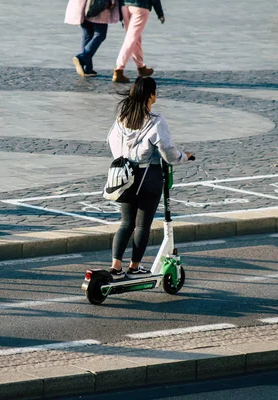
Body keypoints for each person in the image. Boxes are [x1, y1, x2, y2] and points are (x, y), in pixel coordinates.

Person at [107, 77, 193, 278]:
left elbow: (111, 140)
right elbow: (168, 152)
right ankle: (134, 266)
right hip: (148, 177)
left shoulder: (122, 118)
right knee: (142, 225)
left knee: (126, 223)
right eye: (156, 91)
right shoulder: (156, 120)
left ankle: (116, 267)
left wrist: (125, 160)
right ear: (151, 95)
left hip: (124, 177)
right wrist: (184, 157)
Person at [112, 0, 165, 84]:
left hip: (125, 6)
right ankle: (119, 69)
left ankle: (141, 67)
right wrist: (160, 13)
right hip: (140, 6)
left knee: (134, 38)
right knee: (131, 38)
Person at [65, 0, 120, 77]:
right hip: (97, 6)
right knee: (100, 34)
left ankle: (86, 68)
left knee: (87, 35)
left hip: (81, 6)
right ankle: (82, 58)